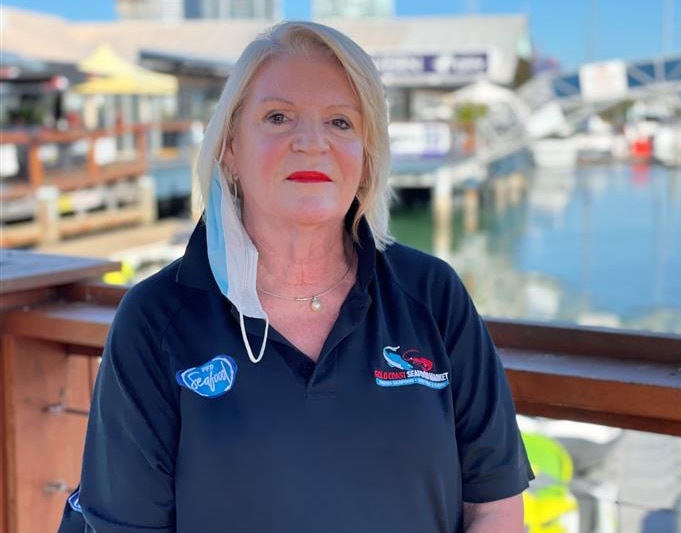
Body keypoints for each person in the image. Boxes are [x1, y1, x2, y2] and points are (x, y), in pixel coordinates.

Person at [59, 20, 533, 533]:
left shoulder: (433, 296)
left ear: (367, 159)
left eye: (341, 123)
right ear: (230, 148)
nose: (312, 142)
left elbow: (495, 507)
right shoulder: (155, 319)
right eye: (279, 117)